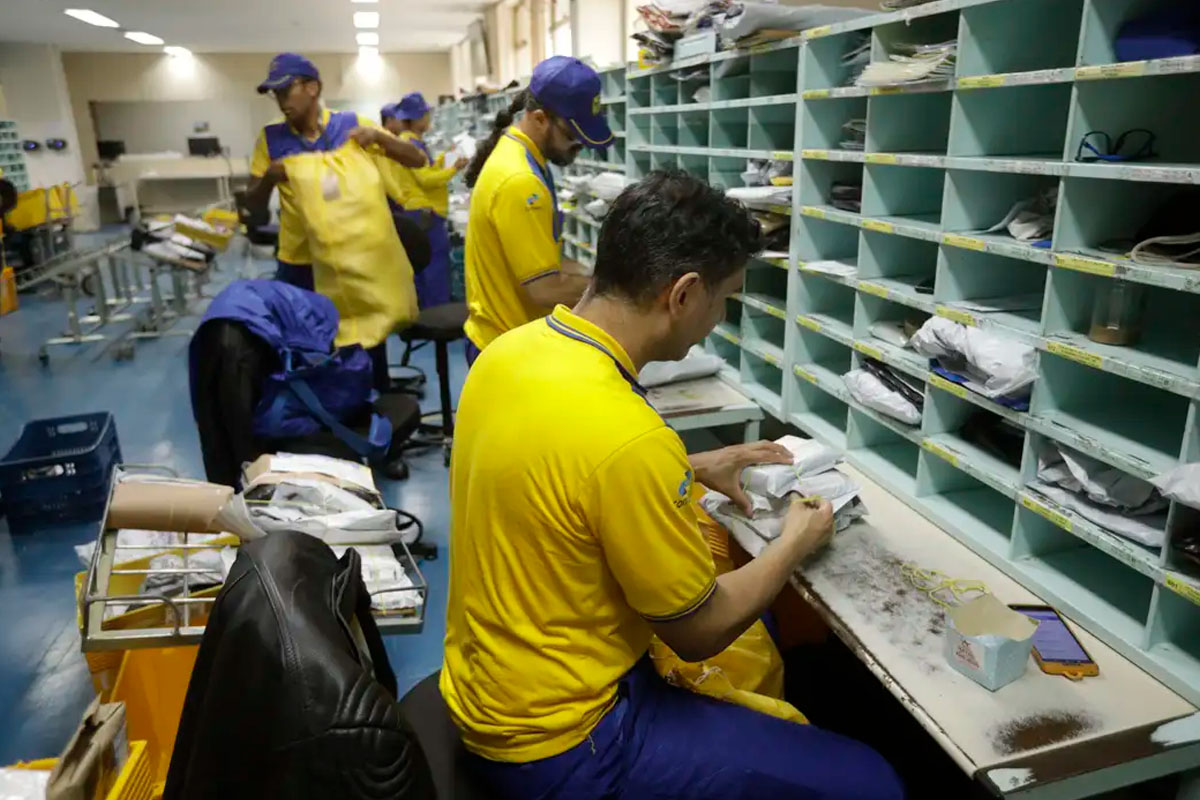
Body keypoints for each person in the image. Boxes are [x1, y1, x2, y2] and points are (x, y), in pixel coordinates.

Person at [440, 170, 904, 800]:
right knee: (872, 782)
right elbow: (699, 630)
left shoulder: (510, 353)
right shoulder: (627, 436)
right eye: (725, 297)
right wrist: (796, 539)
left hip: (486, 688)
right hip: (567, 741)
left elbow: (557, 473)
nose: (721, 316)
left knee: (757, 633)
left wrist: (692, 466)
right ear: (683, 294)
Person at [460, 56, 613, 365]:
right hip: (506, 350)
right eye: (572, 135)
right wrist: (622, 293)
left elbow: (546, 259)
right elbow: (545, 290)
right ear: (540, 119)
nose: (580, 145)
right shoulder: (521, 181)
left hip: (500, 337)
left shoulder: (518, 155)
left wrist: (591, 276)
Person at [245, 53, 425, 291]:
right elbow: (252, 208)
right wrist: (269, 178)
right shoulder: (270, 138)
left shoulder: (351, 126)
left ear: (312, 88)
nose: (281, 101)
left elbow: (417, 159)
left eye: (286, 90)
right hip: (300, 261)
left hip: (353, 255)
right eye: (276, 94)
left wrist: (379, 137)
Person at [379, 93, 466, 308]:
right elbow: (426, 179)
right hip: (424, 214)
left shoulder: (413, 142)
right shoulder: (410, 144)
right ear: (417, 118)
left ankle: (428, 311)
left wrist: (445, 159)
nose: (429, 119)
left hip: (419, 212)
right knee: (435, 269)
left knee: (424, 270)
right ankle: (438, 313)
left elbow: (426, 169)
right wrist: (454, 169)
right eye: (426, 115)